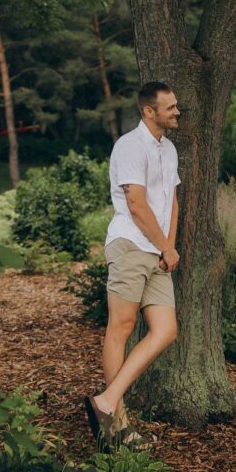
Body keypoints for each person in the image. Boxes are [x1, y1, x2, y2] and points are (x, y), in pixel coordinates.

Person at [84, 81, 181, 448]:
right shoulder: (129, 145)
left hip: (158, 252)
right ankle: (116, 424)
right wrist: (164, 246)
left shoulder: (168, 150)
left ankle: (106, 401)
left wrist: (169, 248)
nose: (176, 112)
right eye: (169, 107)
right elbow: (136, 204)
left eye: (176, 106)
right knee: (121, 329)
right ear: (148, 111)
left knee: (165, 330)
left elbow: (171, 202)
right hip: (129, 245)